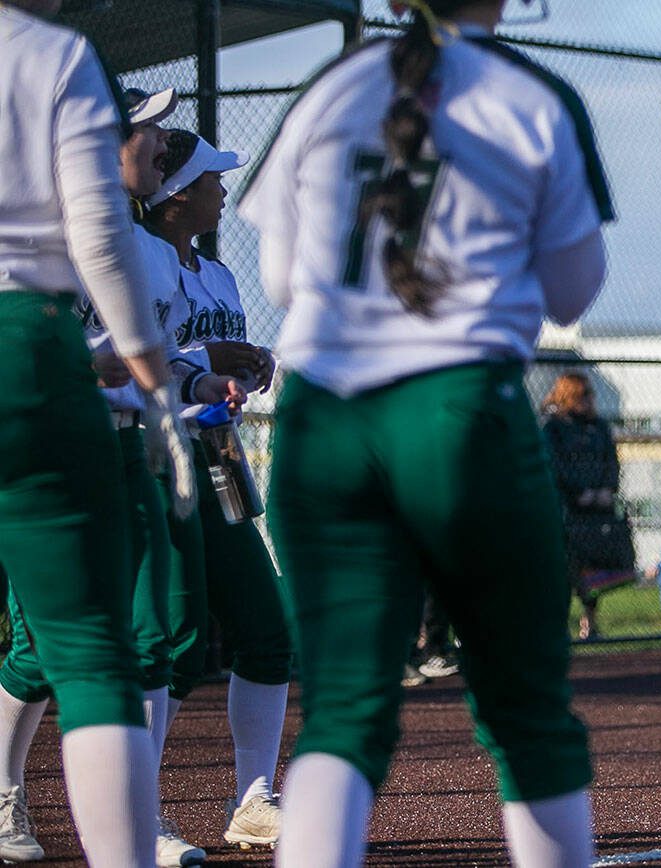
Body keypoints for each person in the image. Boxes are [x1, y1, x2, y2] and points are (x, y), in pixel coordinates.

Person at [237, 0, 612, 864]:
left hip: (321, 411)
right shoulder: (532, 95)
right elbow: (572, 291)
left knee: (341, 713)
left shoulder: (327, 87)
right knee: (525, 711)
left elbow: (283, 276)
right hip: (458, 410)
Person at [0, 5, 198, 865]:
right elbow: (100, 234)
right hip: (23, 342)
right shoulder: (48, 53)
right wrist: (153, 377)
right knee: (87, 645)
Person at [142, 127, 292, 853]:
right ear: (174, 199)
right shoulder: (135, 262)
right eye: (209, 181)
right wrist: (202, 362)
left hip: (219, 460)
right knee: (173, 641)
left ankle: (253, 799)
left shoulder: (220, 276)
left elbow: (209, 366)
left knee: (266, 630)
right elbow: (126, 361)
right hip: (152, 462)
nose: (222, 191)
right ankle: (139, 812)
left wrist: (249, 366)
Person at [541, 371, 634, 641]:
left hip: (598, 513)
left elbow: (611, 462)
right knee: (564, 571)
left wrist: (605, 490)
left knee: (595, 571)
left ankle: (590, 623)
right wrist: (579, 492)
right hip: (567, 511)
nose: (589, 400)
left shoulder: (599, 427)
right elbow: (554, 465)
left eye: (590, 395)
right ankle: (558, 626)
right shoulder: (553, 428)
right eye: (583, 395)